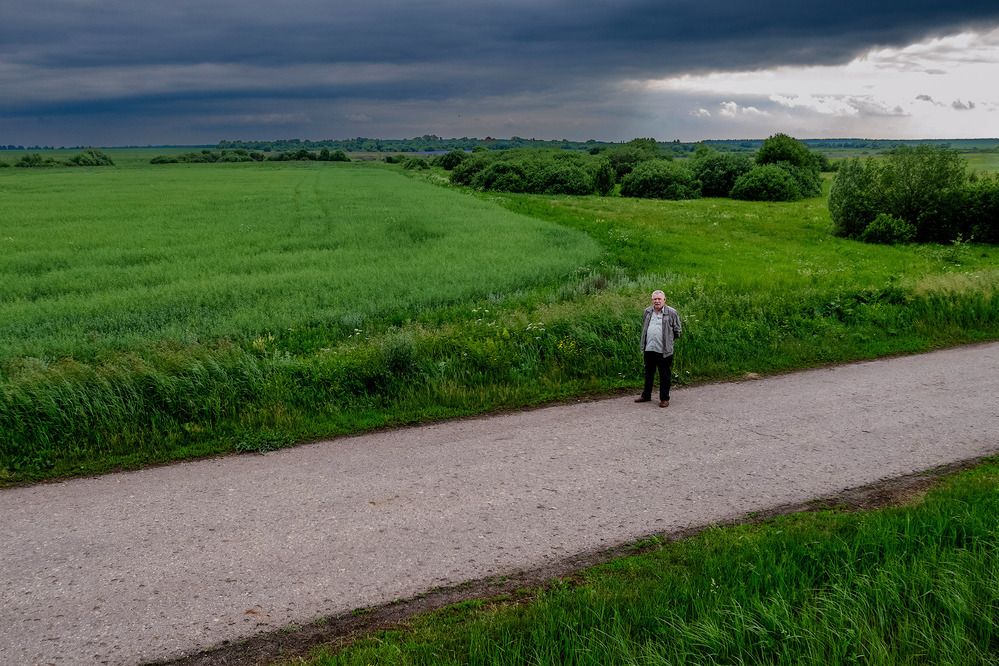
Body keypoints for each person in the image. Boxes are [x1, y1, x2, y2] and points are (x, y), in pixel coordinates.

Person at [635, 290, 682, 408]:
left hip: (664, 350)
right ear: (652, 300)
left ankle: (664, 399)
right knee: (648, 373)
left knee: (664, 375)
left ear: (664, 300)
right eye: (655, 299)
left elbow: (677, 330)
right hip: (649, 348)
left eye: (659, 299)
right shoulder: (647, 311)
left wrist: (668, 340)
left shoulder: (672, 312)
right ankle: (646, 395)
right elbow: (645, 327)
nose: (657, 301)